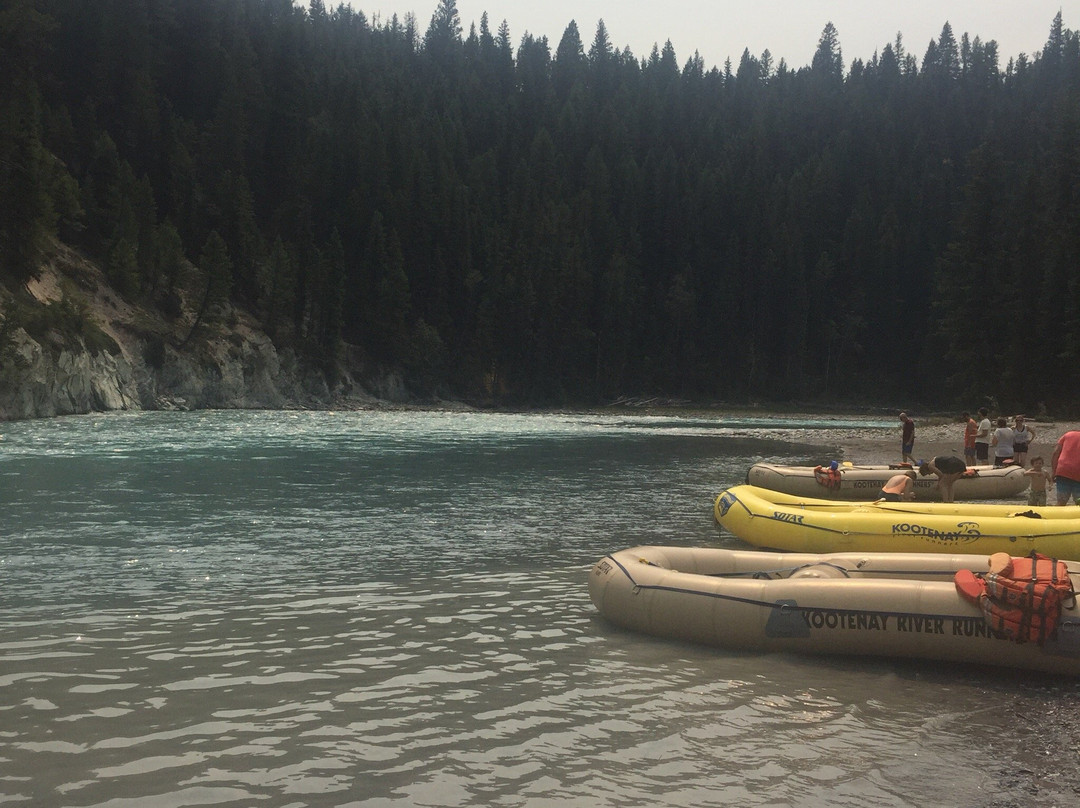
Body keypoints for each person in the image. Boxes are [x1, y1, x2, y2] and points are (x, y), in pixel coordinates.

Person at [1051, 431, 1080, 505]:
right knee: (1079, 502)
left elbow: (1056, 453)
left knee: (1061, 502)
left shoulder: (1068, 435)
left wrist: (1054, 472)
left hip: (1063, 470)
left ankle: (1057, 515)